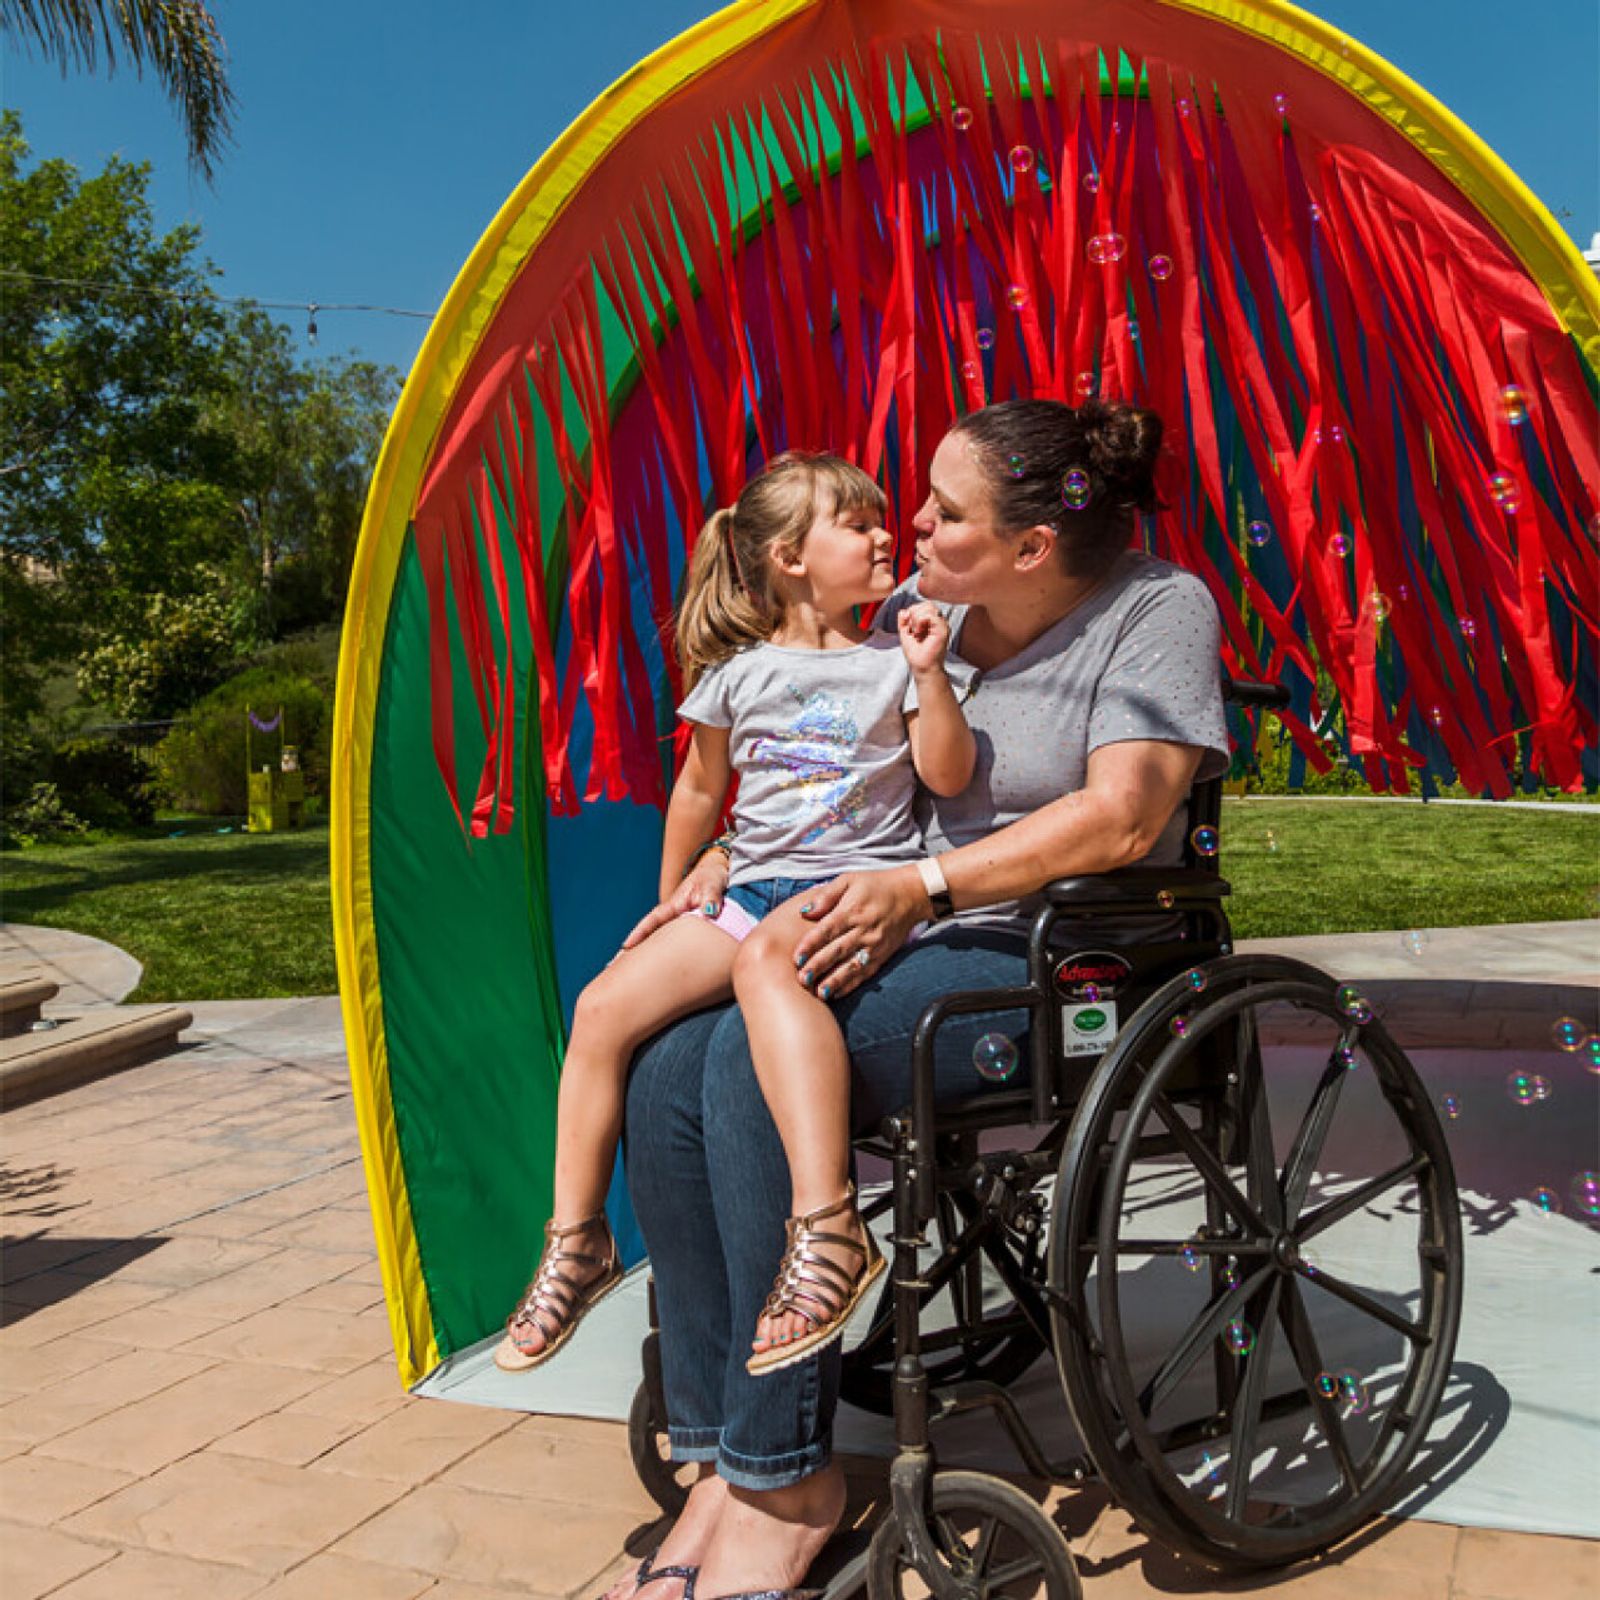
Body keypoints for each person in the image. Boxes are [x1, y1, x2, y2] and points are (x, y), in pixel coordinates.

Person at [607, 397, 1231, 1600]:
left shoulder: (1157, 610)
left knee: (743, 1058)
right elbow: (819, 764)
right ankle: (719, 1452)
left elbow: (1125, 813)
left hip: (1057, 957)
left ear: (1031, 549)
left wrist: (924, 885)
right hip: (871, 913)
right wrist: (726, 859)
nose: (915, 524)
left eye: (945, 513)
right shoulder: (922, 614)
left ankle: (787, 1478)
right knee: (665, 1057)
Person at [495, 451, 975, 1375]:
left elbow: (945, 775)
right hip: (748, 895)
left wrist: (929, 674)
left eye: (885, 521)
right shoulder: (736, 674)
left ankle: (828, 1224)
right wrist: (678, 894)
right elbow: (699, 788)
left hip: (848, 892)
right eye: (861, 524)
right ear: (792, 557)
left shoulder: (897, 658)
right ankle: (577, 1238)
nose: (888, 537)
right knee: (601, 1011)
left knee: (759, 986)